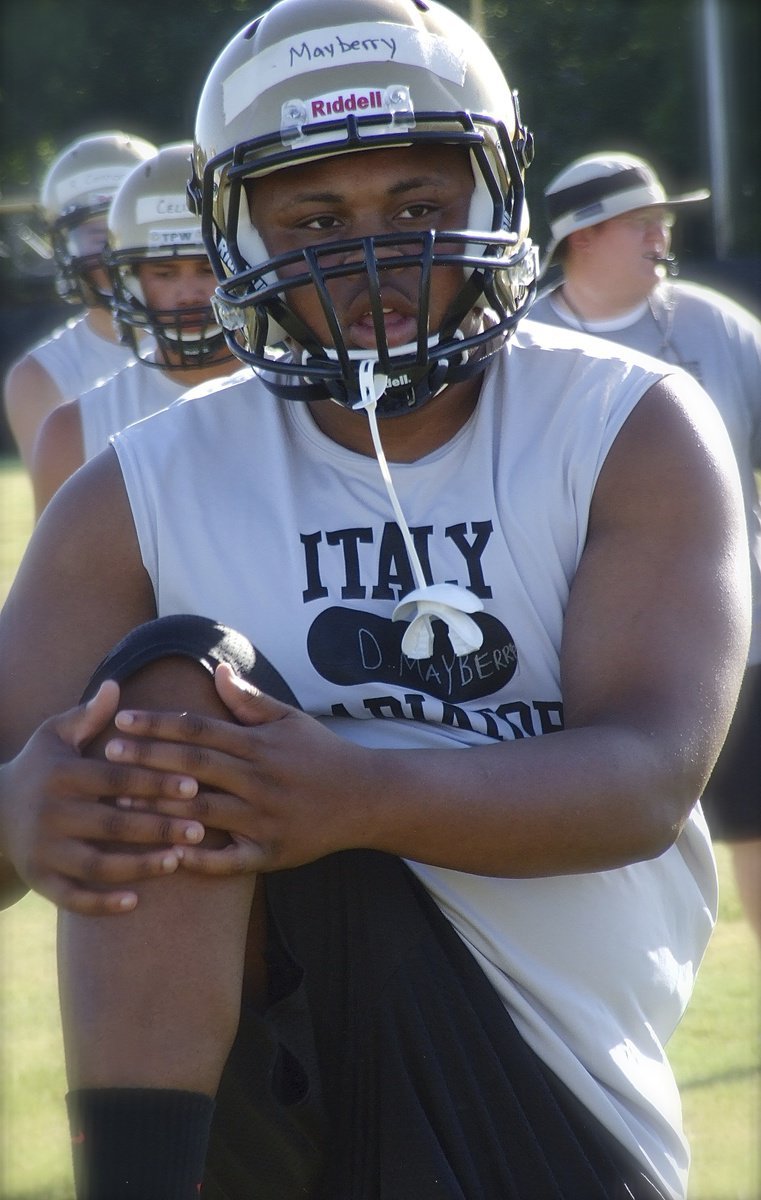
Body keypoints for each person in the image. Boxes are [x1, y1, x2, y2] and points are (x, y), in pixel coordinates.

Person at [0, 3, 751, 1198]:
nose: (371, 253)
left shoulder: (626, 423)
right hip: (254, 1070)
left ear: (494, 193)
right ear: (240, 230)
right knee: (164, 700)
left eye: (415, 208)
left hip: (546, 1078)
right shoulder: (135, 487)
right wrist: (20, 810)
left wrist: (355, 794)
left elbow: (646, 777)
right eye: (313, 218)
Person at [531, 151, 761, 948]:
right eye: (642, 220)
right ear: (582, 236)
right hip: (562, 643)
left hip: (737, 638)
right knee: (602, 838)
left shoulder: (715, 323)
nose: (662, 231)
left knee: (755, 830)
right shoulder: (517, 346)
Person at [31, 142, 243, 516]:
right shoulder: (74, 428)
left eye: (207, 268)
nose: (187, 295)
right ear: (130, 280)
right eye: (163, 273)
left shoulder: (316, 395)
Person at [3, 130, 157, 471]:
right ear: (64, 246)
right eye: (97, 235)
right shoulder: (42, 377)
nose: (114, 252)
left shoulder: (232, 340)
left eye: (126, 230)